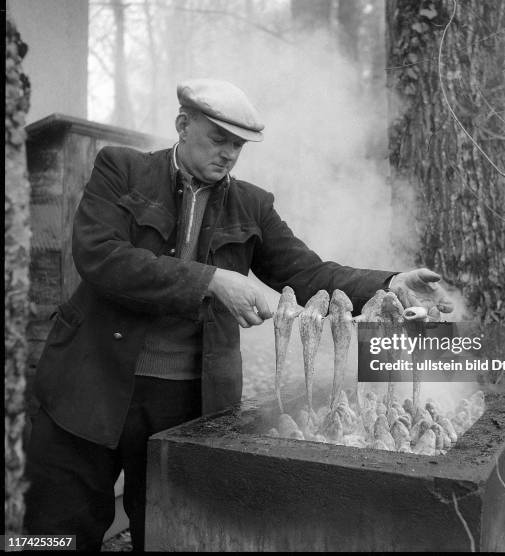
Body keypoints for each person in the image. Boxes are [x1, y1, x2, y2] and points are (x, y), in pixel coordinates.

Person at [24, 78, 453, 551]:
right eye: (218, 139)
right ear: (183, 125)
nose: (229, 154)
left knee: (170, 535)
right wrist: (211, 280)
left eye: (238, 145)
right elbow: (100, 257)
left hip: (185, 406)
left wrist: (390, 283)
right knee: (53, 534)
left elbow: (309, 273)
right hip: (89, 385)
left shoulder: (253, 204)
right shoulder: (119, 169)